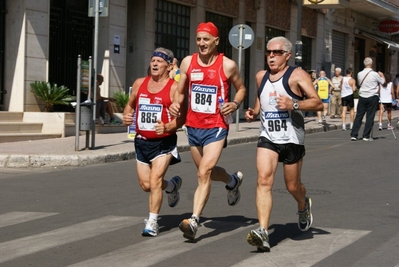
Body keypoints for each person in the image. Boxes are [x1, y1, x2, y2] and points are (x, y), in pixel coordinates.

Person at [169, 22, 246, 240]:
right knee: (207, 172)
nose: (201, 43)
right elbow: (180, 91)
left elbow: (241, 88)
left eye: (206, 39)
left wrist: (236, 103)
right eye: (199, 39)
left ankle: (194, 220)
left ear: (216, 41)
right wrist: (175, 104)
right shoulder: (187, 62)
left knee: (203, 173)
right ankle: (232, 181)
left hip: (216, 125)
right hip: (193, 126)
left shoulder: (227, 65)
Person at [245, 36, 323, 252]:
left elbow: (317, 103)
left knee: (292, 186)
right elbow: (260, 101)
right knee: (263, 180)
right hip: (268, 137)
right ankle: (262, 231)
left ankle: (302, 204)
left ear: (287, 55)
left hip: (292, 138)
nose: (271, 56)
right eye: (269, 52)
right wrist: (253, 112)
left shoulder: (297, 75)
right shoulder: (261, 76)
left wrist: (293, 103)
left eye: (276, 53)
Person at [122, 47, 185, 237]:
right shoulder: (140, 83)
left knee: (155, 181)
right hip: (141, 142)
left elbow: (181, 120)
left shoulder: (174, 88)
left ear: (169, 66)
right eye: (153, 60)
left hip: (163, 142)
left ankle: (152, 222)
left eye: (160, 61)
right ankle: (172, 186)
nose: (155, 63)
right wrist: (126, 115)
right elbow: (130, 105)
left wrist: (167, 127)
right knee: (146, 185)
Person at [350, 57, 385, 141]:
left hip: (362, 96)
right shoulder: (375, 74)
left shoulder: (359, 73)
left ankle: (354, 134)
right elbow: (383, 82)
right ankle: (366, 135)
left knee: (359, 115)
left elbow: (359, 83)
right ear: (371, 64)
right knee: (370, 116)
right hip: (372, 96)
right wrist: (382, 75)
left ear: (364, 64)